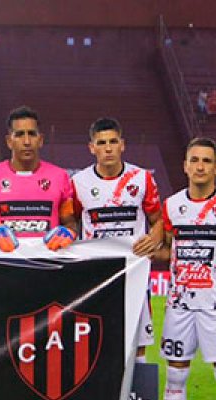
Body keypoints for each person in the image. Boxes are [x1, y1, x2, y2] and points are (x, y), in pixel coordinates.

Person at [71, 117, 162, 365]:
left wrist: (153, 240)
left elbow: (159, 220)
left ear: (122, 144)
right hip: (96, 277)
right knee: (97, 344)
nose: (108, 148)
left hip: (134, 274)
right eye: (101, 143)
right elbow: (69, 222)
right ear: (91, 147)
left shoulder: (141, 179)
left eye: (113, 142)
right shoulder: (79, 183)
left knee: (138, 348)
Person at [157, 137, 216, 400]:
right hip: (180, 304)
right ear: (185, 165)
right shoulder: (172, 205)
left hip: (215, 306)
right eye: (194, 160)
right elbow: (167, 247)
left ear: (215, 168)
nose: (200, 166)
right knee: (176, 373)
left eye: (207, 161)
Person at [0, 106, 77, 252]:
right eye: (19, 134)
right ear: (9, 141)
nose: (27, 141)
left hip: (48, 264)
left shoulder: (60, 176)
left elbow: (70, 223)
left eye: (32, 134)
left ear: (40, 140)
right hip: (3, 264)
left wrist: (68, 232)